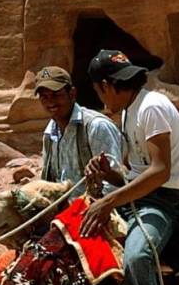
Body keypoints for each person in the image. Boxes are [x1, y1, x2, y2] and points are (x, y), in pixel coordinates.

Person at [79, 50, 179, 285]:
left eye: (98, 92)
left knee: (137, 257)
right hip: (140, 197)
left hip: (164, 202)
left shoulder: (151, 107)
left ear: (106, 85)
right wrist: (109, 173)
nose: (100, 99)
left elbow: (160, 171)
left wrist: (109, 201)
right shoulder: (130, 111)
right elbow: (134, 172)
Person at [33, 65, 124, 198]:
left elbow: (115, 186)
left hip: (96, 205)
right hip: (64, 207)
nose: (50, 102)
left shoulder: (96, 126)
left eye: (56, 95)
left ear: (72, 94)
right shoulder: (49, 134)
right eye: (44, 97)